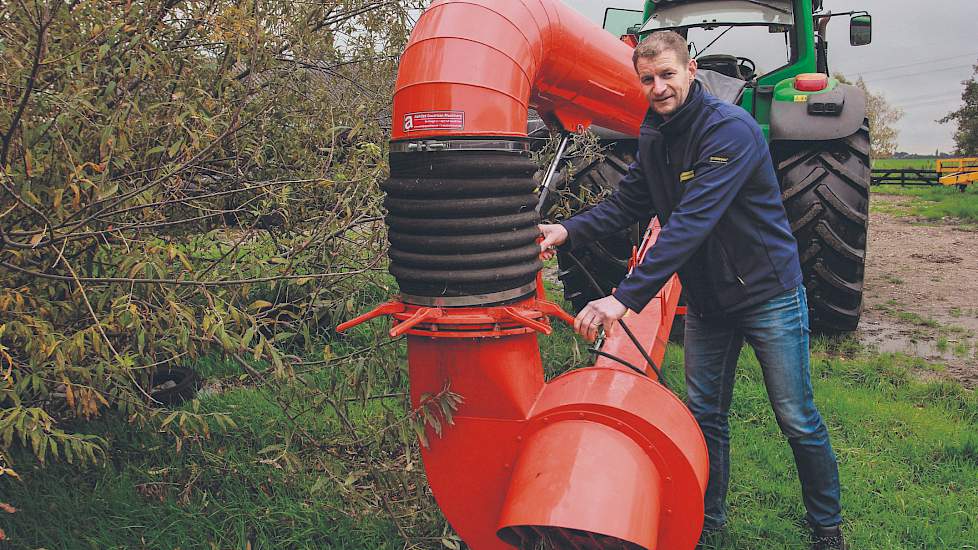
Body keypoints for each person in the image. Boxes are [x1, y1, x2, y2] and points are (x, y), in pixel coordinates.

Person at [537, 31, 847, 550]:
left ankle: (826, 525)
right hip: (708, 300)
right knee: (705, 415)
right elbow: (628, 201)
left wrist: (622, 297)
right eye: (647, 79)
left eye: (667, 75)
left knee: (795, 416)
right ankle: (712, 520)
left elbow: (689, 224)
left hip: (767, 293)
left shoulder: (730, 131)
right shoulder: (656, 132)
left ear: (692, 69)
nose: (658, 88)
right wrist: (568, 230)